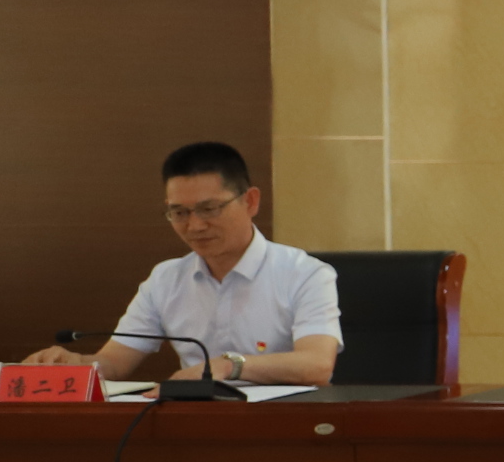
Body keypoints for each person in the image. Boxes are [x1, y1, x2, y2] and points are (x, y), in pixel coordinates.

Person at [30, 141, 341, 388]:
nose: (195, 226)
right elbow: (114, 363)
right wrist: (76, 365)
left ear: (250, 201)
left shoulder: (305, 274)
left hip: (285, 424)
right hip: (196, 425)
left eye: (209, 209)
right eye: (179, 213)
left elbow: (317, 365)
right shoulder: (166, 279)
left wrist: (228, 366)